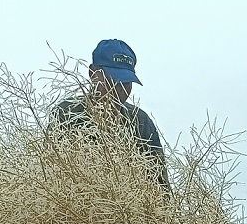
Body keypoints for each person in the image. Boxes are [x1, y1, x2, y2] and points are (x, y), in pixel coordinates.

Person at [51, 39, 168, 186]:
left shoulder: (141, 122)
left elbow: (160, 185)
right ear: (92, 73)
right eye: (112, 80)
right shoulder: (66, 113)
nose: (119, 90)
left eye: (126, 83)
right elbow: (50, 173)